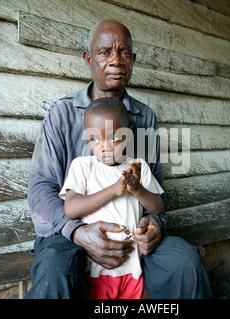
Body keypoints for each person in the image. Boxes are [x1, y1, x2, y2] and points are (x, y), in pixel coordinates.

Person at [25, 19, 213, 299]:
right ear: (89, 60)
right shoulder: (62, 114)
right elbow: (41, 191)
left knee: (184, 263)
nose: (116, 60)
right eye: (104, 52)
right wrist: (78, 232)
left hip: (129, 234)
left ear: (133, 61)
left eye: (124, 53)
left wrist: (152, 224)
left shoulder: (143, 117)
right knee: (55, 274)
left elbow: (153, 188)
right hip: (70, 234)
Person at [60, 97, 164, 298]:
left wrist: (137, 189)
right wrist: (113, 190)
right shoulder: (83, 166)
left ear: (129, 134)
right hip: (96, 268)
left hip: (132, 267)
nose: (104, 147)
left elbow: (158, 207)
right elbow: (70, 209)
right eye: (94, 139)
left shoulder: (137, 166)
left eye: (114, 137)